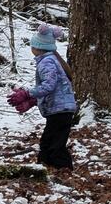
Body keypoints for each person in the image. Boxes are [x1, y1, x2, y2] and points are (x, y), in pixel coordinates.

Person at [11, 25, 77, 169]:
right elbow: (53, 89)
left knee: (54, 144)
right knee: (48, 142)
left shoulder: (47, 62)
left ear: (37, 47)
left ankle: (62, 169)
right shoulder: (50, 60)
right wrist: (33, 101)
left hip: (60, 110)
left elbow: (49, 86)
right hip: (59, 109)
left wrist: (27, 93)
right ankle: (44, 167)